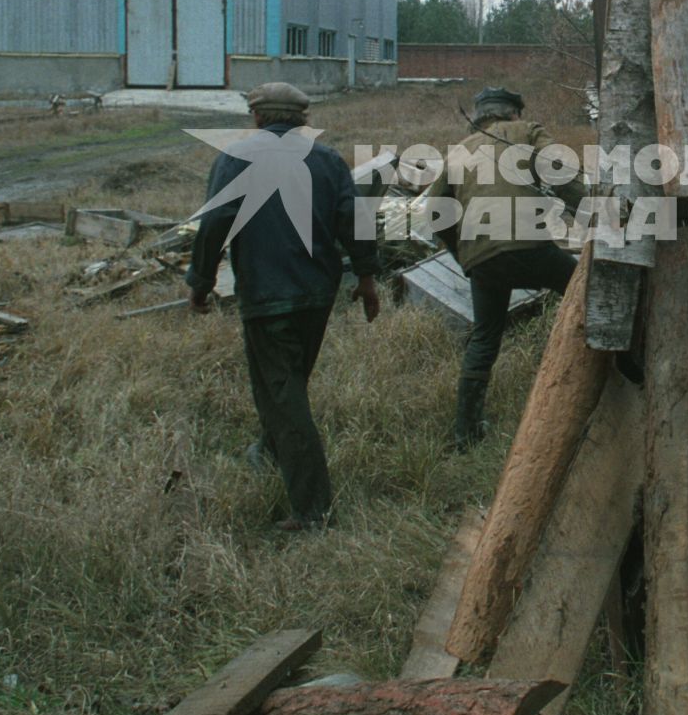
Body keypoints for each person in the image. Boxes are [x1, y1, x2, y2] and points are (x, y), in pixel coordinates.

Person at [187, 81, 380, 531]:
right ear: (303, 118)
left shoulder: (236, 156)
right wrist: (368, 278)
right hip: (317, 295)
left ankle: (314, 511)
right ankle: (269, 451)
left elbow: (215, 221)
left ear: (257, 116)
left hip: (267, 293)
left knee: (282, 393)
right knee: (288, 382)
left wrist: (199, 282)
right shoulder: (328, 159)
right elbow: (355, 220)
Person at [426, 85, 587, 450]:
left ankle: (464, 433)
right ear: (514, 113)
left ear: (480, 115)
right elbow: (560, 174)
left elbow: (434, 214)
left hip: (482, 261)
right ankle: (622, 373)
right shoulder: (527, 131)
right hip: (529, 246)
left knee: (484, 337)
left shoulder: (459, 151)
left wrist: (465, 257)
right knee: (588, 292)